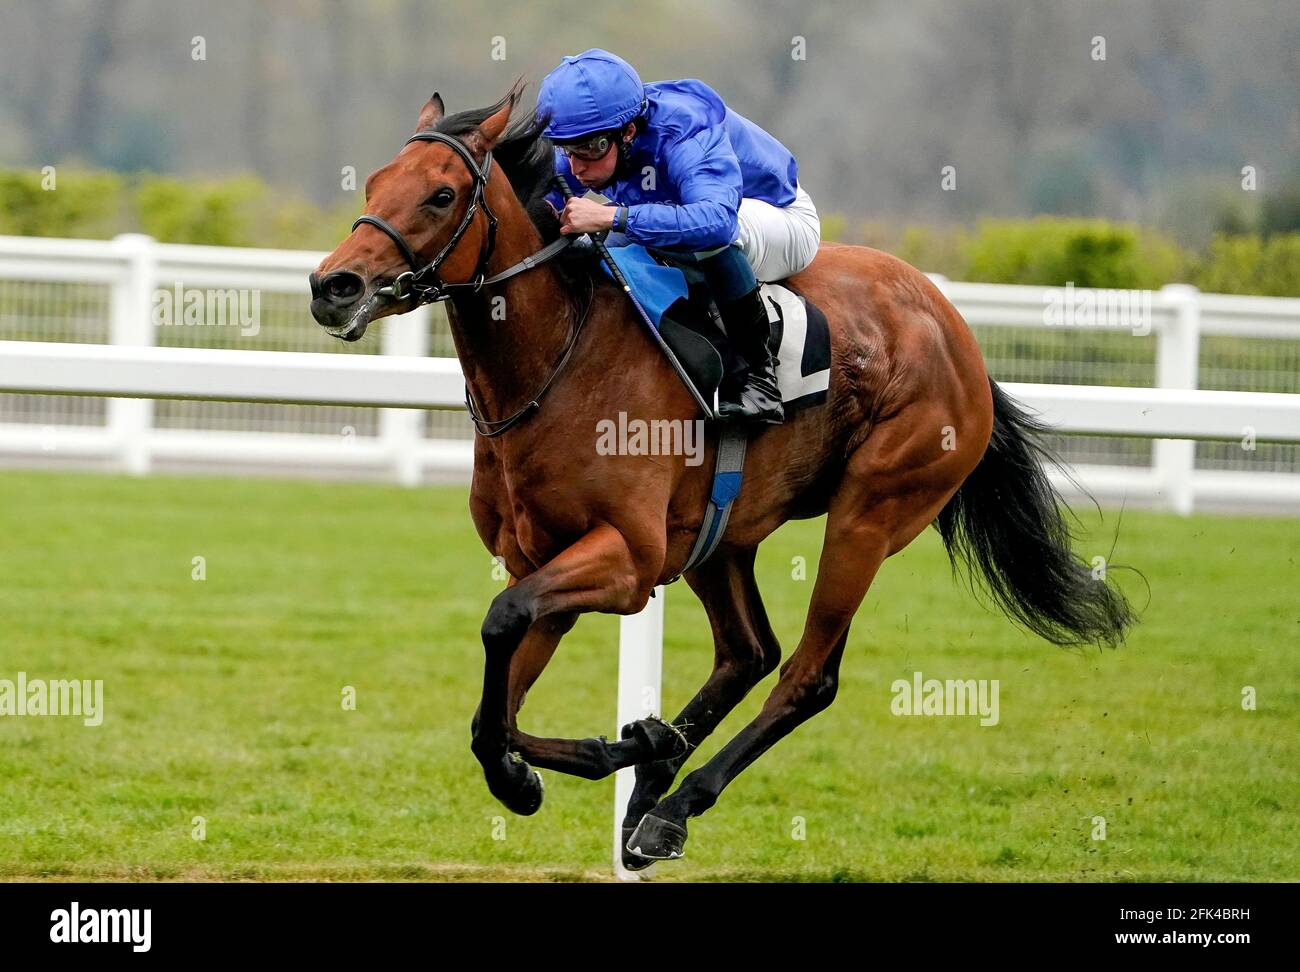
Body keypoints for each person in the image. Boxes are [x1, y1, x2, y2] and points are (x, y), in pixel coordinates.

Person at [537, 49, 821, 425]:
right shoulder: (594, 136)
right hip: (692, 212)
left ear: (628, 132)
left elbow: (716, 221)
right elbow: (538, 204)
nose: (577, 165)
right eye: (567, 149)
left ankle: (760, 380)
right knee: (591, 251)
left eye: (591, 148)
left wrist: (611, 216)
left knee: (708, 240)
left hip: (777, 216)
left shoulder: (685, 127)